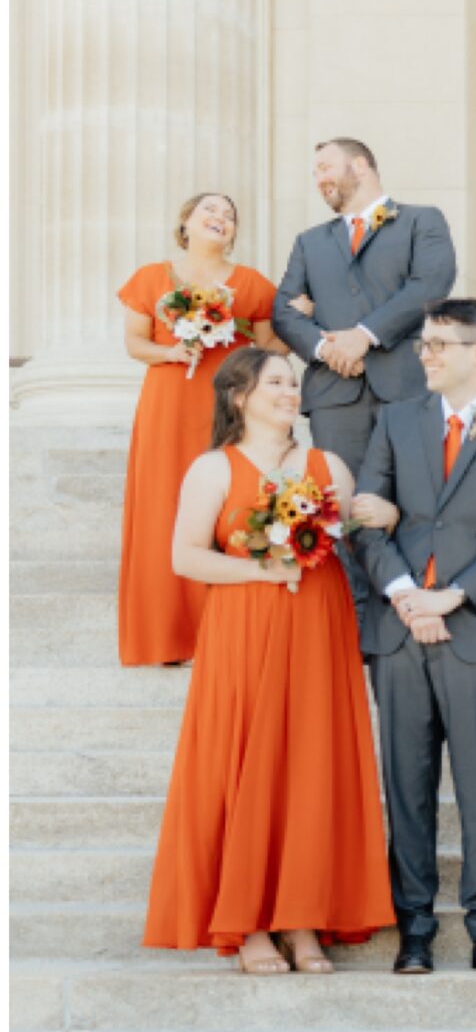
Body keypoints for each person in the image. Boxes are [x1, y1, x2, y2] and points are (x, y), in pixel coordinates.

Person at [142, 346, 393, 971]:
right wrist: (263, 566)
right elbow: (186, 558)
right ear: (239, 396)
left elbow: (353, 537)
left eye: (292, 382)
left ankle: (304, 919)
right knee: (246, 761)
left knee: (312, 761)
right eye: (275, 381)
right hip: (245, 627)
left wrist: (381, 515)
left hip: (317, 623)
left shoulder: (326, 463)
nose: (289, 391)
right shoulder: (212, 469)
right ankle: (249, 922)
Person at [352, 299, 476, 975]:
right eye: (424, 343)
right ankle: (414, 929)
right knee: (406, 785)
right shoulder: (395, 420)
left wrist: (454, 595)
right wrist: (409, 596)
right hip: (401, 631)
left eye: (441, 343)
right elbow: (367, 521)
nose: (426, 354)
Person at [271, 137, 457, 627]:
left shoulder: (423, 221)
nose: (319, 179)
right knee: (344, 508)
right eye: (314, 172)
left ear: (361, 165)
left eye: (325, 167)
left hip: (407, 388)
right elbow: (284, 310)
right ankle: (357, 622)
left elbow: (431, 285)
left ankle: (413, 607)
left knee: (413, 499)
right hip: (335, 396)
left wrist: (364, 336)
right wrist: (326, 348)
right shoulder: (309, 242)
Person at [117, 192, 280, 666]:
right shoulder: (151, 277)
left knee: (226, 504)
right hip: (167, 402)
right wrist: (171, 352)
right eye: (211, 210)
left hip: (225, 406)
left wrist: (305, 321)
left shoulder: (251, 283)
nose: (221, 218)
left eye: (230, 215)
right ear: (186, 220)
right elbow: (134, 341)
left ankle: (220, 631)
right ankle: (164, 636)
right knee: (162, 502)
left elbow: (270, 345)